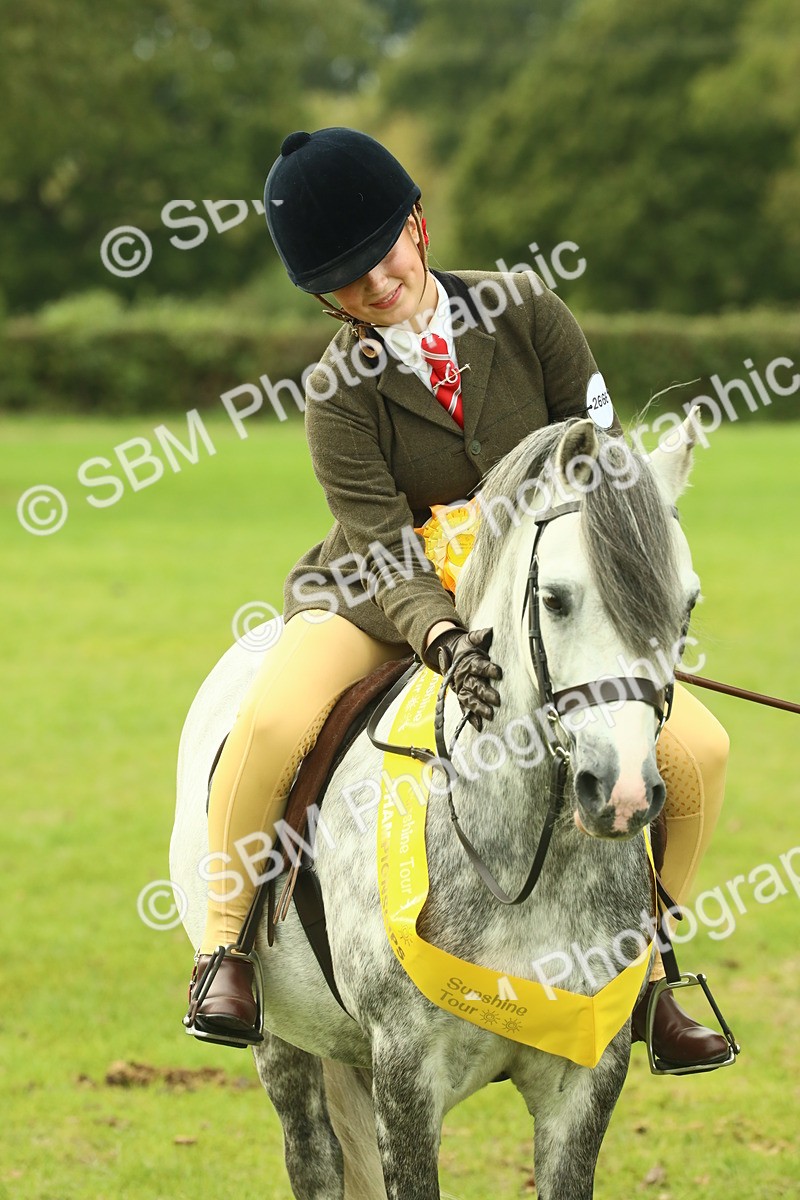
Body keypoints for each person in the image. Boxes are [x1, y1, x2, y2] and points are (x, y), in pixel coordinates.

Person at [184, 126, 730, 1069]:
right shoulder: (335, 392)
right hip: (381, 601)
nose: (372, 283)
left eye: (379, 253)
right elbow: (382, 547)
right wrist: (441, 634)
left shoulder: (529, 313)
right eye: (343, 278)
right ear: (323, 295)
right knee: (271, 724)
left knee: (699, 749)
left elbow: (598, 471)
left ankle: (652, 969)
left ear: (418, 228)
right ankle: (226, 946)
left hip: (536, 599)